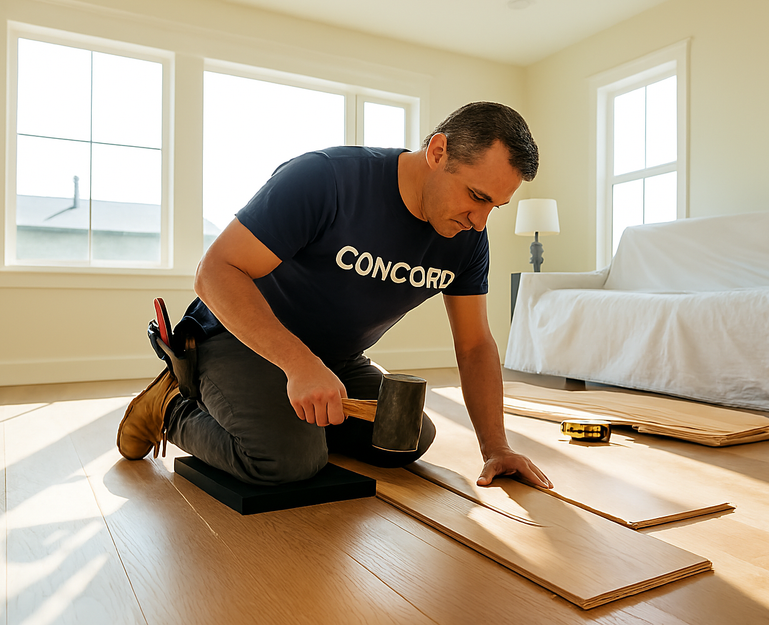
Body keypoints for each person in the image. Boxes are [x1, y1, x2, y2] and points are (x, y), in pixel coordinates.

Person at [117, 101, 552, 490]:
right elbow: (213, 273)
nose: (479, 221)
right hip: (239, 339)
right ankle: (170, 406)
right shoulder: (327, 178)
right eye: (476, 196)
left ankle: (294, 423)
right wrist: (299, 363)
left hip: (337, 361)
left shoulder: (468, 238)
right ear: (438, 152)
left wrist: (496, 446)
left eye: (494, 206)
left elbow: (475, 343)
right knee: (285, 463)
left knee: (406, 437)